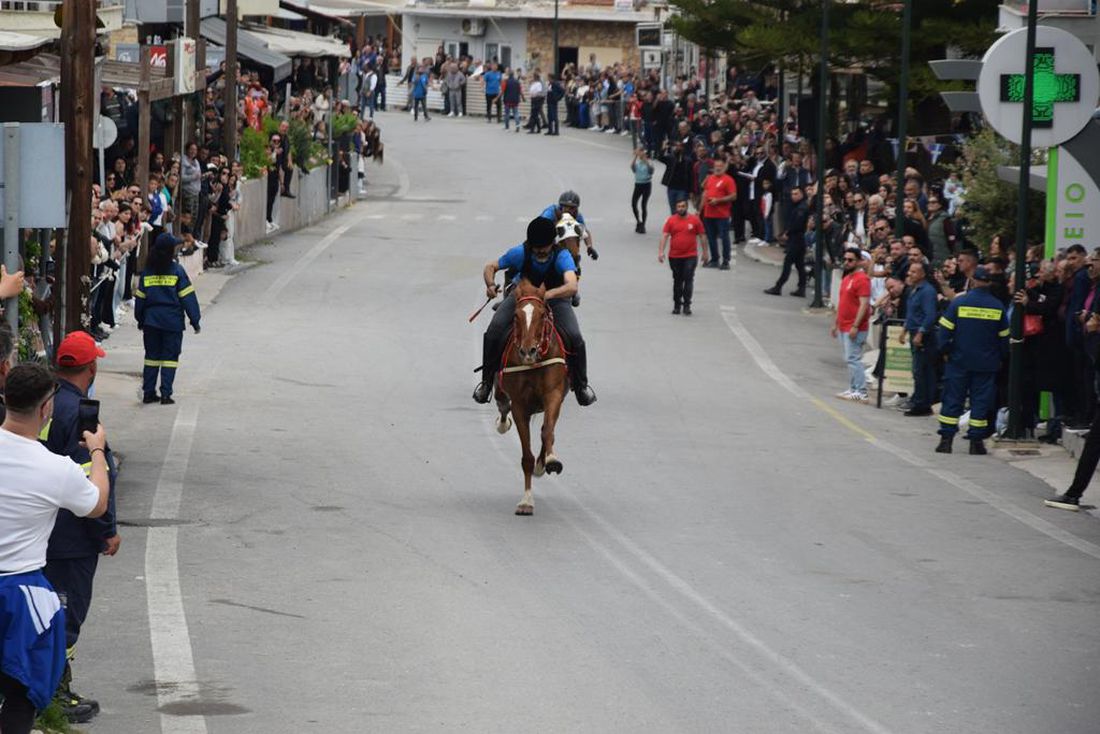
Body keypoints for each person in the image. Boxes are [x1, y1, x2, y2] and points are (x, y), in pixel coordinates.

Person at [0, 363, 109, 734]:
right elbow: (96, 503)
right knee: (22, 692)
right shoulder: (56, 468)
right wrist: (97, 452)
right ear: (46, 407)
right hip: (19, 591)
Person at [42, 332, 120, 724]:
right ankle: (55, 694)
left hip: (40, 531)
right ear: (91, 367)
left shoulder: (44, 404)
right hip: (71, 539)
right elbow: (93, 483)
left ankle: (50, 689)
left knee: (47, 613)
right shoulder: (81, 416)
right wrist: (106, 530)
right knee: (65, 616)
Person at [472, 217, 596, 406]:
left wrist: (549, 294)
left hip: (555, 299)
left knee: (574, 336)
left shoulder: (562, 256)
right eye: (536, 249)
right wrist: (490, 285)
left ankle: (581, 387)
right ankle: (487, 383)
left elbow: (572, 285)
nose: (540, 253)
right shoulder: (520, 253)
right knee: (494, 330)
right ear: (530, 245)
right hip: (522, 297)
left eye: (544, 249)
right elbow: (491, 266)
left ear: (552, 244)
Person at [935, 266, 1009, 455]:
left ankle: (946, 441)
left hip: (959, 361)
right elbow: (1004, 339)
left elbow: (944, 332)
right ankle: (976, 442)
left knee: (953, 399)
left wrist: (945, 351)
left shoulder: (959, 303)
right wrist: (1000, 358)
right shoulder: (998, 306)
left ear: (973, 281)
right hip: (986, 363)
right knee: (980, 402)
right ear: (989, 283)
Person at [135, 233, 202, 405]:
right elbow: (187, 297)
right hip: (172, 322)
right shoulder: (177, 271)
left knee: (151, 357)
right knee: (170, 358)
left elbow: (140, 299)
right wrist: (195, 320)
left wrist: (140, 319)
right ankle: (166, 394)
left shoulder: (147, 272)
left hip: (151, 321)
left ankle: (148, 393)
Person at [831, 247, 872, 402]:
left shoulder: (862, 279)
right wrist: (836, 323)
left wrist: (855, 325)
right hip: (844, 325)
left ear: (859, 261)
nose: (847, 262)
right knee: (850, 358)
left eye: (850, 260)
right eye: (845, 259)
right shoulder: (847, 278)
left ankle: (861, 391)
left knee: (853, 358)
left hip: (854, 326)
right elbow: (843, 303)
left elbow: (864, 304)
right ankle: (854, 388)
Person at [899, 261, 937, 416]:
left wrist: (921, 333)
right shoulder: (913, 290)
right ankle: (918, 399)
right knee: (917, 370)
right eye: (910, 271)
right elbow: (912, 313)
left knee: (921, 370)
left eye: (914, 272)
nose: (910, 274)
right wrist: (905, 329)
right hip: (913, 331)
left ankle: (922, 404)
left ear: (922, 274)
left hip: (923, 336)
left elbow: (930, 315)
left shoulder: (927, 291)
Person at [658, 198, 708, 315]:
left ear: (686, 207)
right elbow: (665, 236)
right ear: (676, 208)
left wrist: (705, 253)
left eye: (683, 206)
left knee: (688, 279)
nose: (681, 209)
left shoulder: (695, 220)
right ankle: (677, 305)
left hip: (690, 255)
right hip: (675, 256)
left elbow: (702, 236)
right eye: (679, 207)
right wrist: (661, 252)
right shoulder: (671, 220)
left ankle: (687, 305)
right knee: (677, 281)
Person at [764, 186, 811, 297]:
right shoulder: (798, 206)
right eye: (792, 194)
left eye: (796, 194)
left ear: (802, 194)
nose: (793, 196)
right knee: (799, 264)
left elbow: (797, 224)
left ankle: (778, 286)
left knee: (788, 263)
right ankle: (801, 288)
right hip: (797, 239)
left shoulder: (801, 208)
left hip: (796, 239)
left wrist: (787, 233)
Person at [700, 156, 737, 270]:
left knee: (724, 237)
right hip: (708, 213)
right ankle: (715, 259)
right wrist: (700, 209)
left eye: (720, 166)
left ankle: (726, 261)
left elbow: (733, 196)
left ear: (724, 167)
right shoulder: (710, 178)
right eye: (716, 166)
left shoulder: (728, 180)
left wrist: (718, 200)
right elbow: (705, 192)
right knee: (711, 238)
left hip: (722, 214)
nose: (718, 168)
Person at [540, 190, 597, 260]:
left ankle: (574, 258)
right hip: (547, 236)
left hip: (565, 241)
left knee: (575, 230)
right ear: (561, 207)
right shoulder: (550, 213)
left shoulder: (577, 216)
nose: (569, 210)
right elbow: (540, 227)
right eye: (566, 207)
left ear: (576, 209)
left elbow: (584, 231)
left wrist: (589, 246)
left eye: (572, 208)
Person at [630, 148, 654, 234]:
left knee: (643, 205)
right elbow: (632, 168)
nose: (641, 155)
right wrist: (635, 156)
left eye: (643, 153)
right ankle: (638, 221)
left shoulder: (649, 162)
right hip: (638, 184)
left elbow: (651, 171)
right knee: (633, 203)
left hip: (646, 185)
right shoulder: (638, 163)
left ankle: (643, 224)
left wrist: (645, 160)